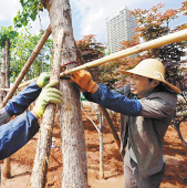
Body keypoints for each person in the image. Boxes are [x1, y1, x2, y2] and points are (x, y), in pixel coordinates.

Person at [70, 59, 180, 188]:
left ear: (154, 82)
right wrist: (87, 90)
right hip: (131, 153)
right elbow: (111, 97)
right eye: (131, 76)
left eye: (137, 78)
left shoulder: (165, 102)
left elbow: (131, 106)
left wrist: (92, 86)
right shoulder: (131, 90)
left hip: (148, 163)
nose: (131, 81)